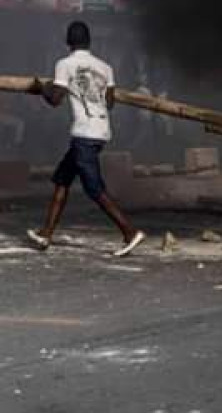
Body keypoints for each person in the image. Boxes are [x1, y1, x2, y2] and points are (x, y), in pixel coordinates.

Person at [26, 20, 145, 257]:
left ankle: (130, 232)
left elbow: (55, 99)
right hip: (101, 131)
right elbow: (110, 103)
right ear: (89, 42)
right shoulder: (105, 67)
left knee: (94, 189)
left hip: (84, 133)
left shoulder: (65, 64)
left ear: (68, 42)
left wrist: (41, 88)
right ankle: (46, 233)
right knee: (62, 180)